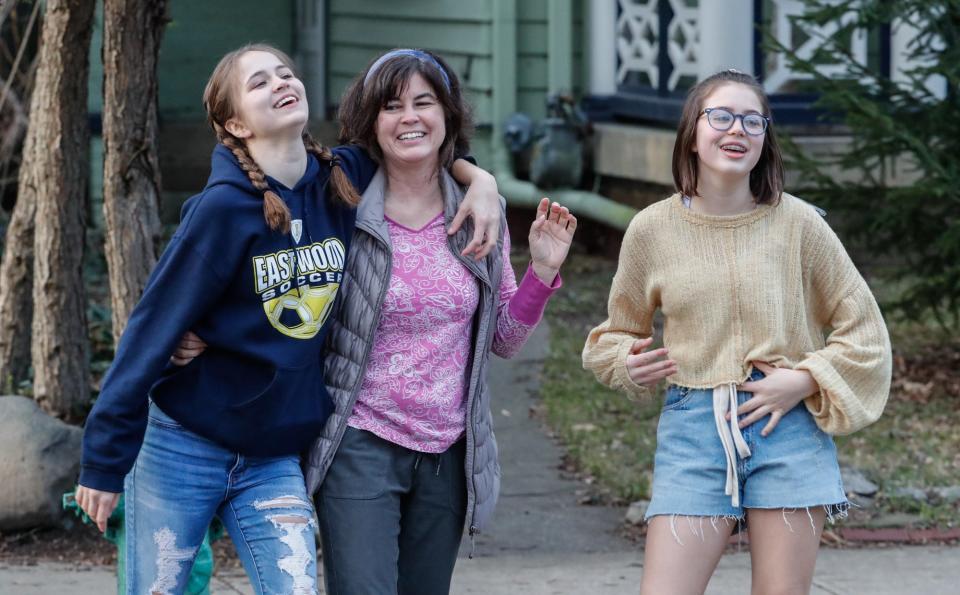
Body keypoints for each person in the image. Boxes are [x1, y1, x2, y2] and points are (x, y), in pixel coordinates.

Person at [75, 43, 503, 594]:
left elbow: (421, 148)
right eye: (258, 84)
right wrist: (103, 459)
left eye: (285, 73)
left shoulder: (343, 178)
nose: (280, 83)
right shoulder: (221, 210)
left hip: (273, 454)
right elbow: (150, 331)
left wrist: (482, 182)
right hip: (185, 444)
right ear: (235, 124)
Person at [582, 69, 892, 595]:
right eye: (721, 116)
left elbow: (866, 333)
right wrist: (625, 362)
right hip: (693, 433)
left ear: (765, 138)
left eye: (753, 120)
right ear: (693, 133)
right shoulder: (651, 230)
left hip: (788, 430)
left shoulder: (799, 224)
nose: (738, 130)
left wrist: (805, 379)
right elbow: (613, 336)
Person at [294, 48, 577, 595]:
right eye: (392, 106)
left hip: (448, 450)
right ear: (371, 123)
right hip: (360, 442)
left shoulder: (478, 213)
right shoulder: (342, 207)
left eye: (424, 103)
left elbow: (504, 338)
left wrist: (542, 271)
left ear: (446, 115)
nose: (410, 118)